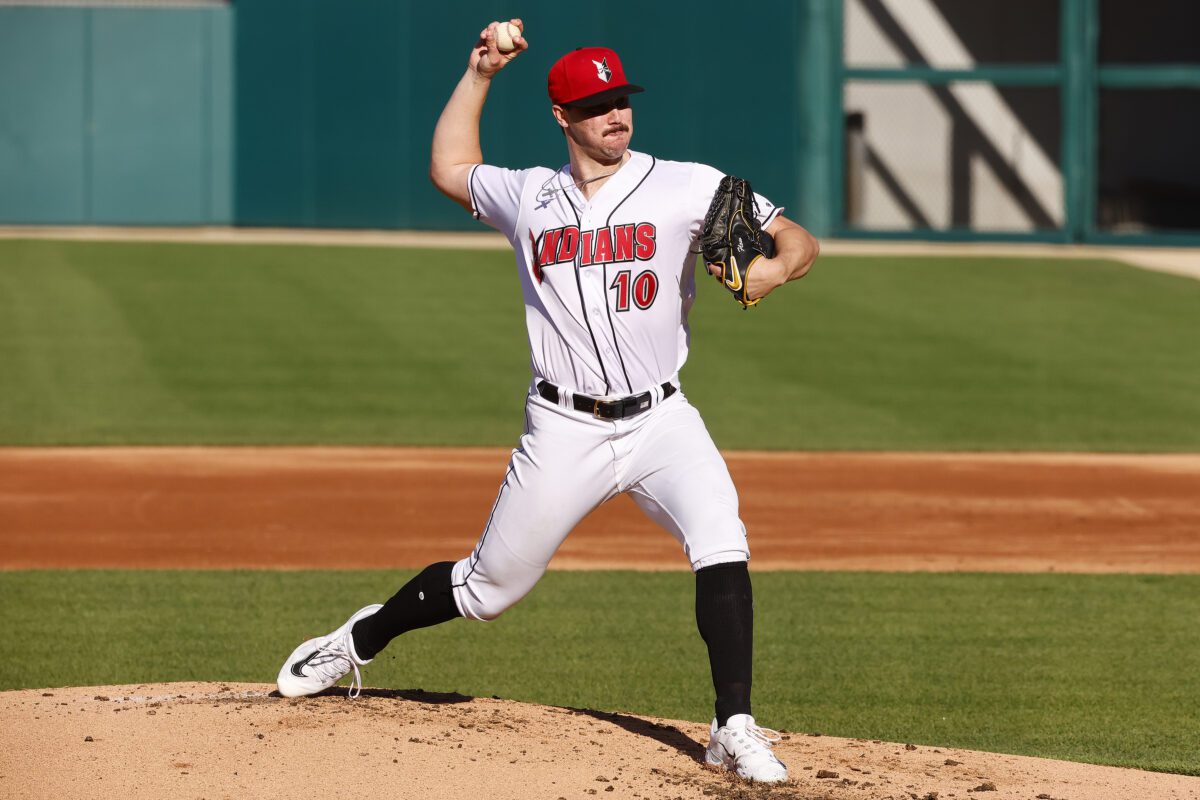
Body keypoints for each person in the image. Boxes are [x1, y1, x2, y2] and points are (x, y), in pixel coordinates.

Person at [276, 19, 819, 784]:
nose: (616, 115)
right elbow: (449, 165)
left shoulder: (688, 184)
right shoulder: (528, 196)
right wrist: (482, 72)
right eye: (596, 104)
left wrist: (778, 269)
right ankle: (359, 639)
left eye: (621, 99)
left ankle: (733, 725)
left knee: (721, 536)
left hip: (663, 418)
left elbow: (795, 236)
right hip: (564, 425)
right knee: (488, 589)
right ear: (563, 117)